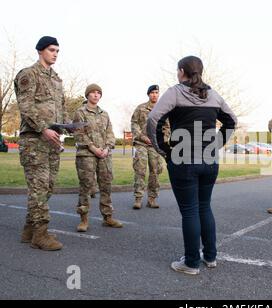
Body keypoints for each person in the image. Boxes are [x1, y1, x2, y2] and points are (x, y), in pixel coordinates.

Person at [147, 56, 237, 275]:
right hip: (209, 160)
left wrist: (164, 149)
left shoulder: (175, 92)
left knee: (189, 211)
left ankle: (191, 263)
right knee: (204, 206)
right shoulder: (213, 94)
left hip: (183, 160)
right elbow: (231, 121)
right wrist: (215, 144)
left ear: (181, 71)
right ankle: (210, 256)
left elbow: (153, 119)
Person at [14, 36, 69, 251]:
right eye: (51, 50)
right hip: (34, 141)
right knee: (38, 188)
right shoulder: (29, 74)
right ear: (40, 51)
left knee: (47, 187)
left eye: (57, 50)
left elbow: (61, 108)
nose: (55, 53)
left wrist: (65, 128)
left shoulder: (56, 79)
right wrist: (43, 128)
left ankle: (29, 229)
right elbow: (26, 107)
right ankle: (40, 234)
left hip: (52, 141)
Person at [73, 84, 123, 232]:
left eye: (98, 93)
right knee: (86, 186)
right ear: (87, 95)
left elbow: (110, 133)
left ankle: (107, 217)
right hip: (87, 154)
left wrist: (107, 148)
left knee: (106, 185)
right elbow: (79, 133)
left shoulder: (104, 113)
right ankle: (84, 219)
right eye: (93, 93)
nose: (95, 95)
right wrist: (93, 148)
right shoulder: (80, 112)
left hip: (104, 155)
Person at [131, 84, 170, 209]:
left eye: (156, 92)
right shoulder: (140, 108)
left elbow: (167, 128)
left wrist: (160, 140)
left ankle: (152, 199)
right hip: (142, 143)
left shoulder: (163, 110)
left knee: (155, 171)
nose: (154, 94)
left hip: (155, 145)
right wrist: (141, 137)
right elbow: (134, 123)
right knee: (140, 169)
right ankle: (138, 198)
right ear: (148, 94)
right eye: (152, 92)